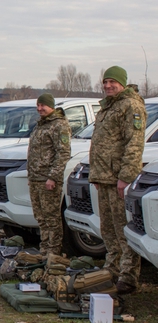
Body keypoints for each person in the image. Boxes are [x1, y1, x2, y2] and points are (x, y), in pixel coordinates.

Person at [89, 66, 146, 295]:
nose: (108, 86)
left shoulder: (131, 105)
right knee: (109, 229)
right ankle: (112, 269)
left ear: (122, 83)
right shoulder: (109, 106)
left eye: (112, 82)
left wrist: (125, 177)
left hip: (117, 180)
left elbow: (134, 143)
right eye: (105, 82)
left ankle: (128, 276)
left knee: (123, 229)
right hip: (103, 177)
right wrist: (96, 173)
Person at [27, 93, 71, 256]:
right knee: (40, 216)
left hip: (48, 179)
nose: (39, 109)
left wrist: (53, 176)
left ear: (51, 106)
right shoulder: (41, 125)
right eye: (38, 105)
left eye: (43, 105)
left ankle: (53, 249)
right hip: (36, 177)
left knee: (51, 217)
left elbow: (63, 152)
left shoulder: (59, 125)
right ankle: (44, 247)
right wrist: (31, 176)